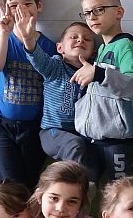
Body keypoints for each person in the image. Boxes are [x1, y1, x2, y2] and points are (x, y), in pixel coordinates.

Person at [0, 0, 57, 189]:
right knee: (7, 185)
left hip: (34, 126)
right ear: (3, 9)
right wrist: (4, 34)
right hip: (1, 124)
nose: (21, 10)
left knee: (30, 183)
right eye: (13, 6)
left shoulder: (49, 46)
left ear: (39, 6)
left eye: (27, 4)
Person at [73, 0, 133, 181]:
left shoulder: (125, 46)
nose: (92, 17)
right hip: (93, 138)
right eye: (87, 13)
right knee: (90, 188)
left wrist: (99, 74)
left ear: (119, 12)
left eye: (99, 10)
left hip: (116, 141)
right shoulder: (103, 48)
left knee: (119, 191)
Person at [20, 20, 98, 183]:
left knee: (93, 164)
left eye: (87, 39)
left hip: (82, 133)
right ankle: (73, 187)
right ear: (60, 48)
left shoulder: (94, 72)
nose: (80, 40)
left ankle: (84, 192)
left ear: (93, 53)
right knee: (74, 145)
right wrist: (28, 39)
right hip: (52, 132)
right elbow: (37, 58)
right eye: (74, 37)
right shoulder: (54, 67)